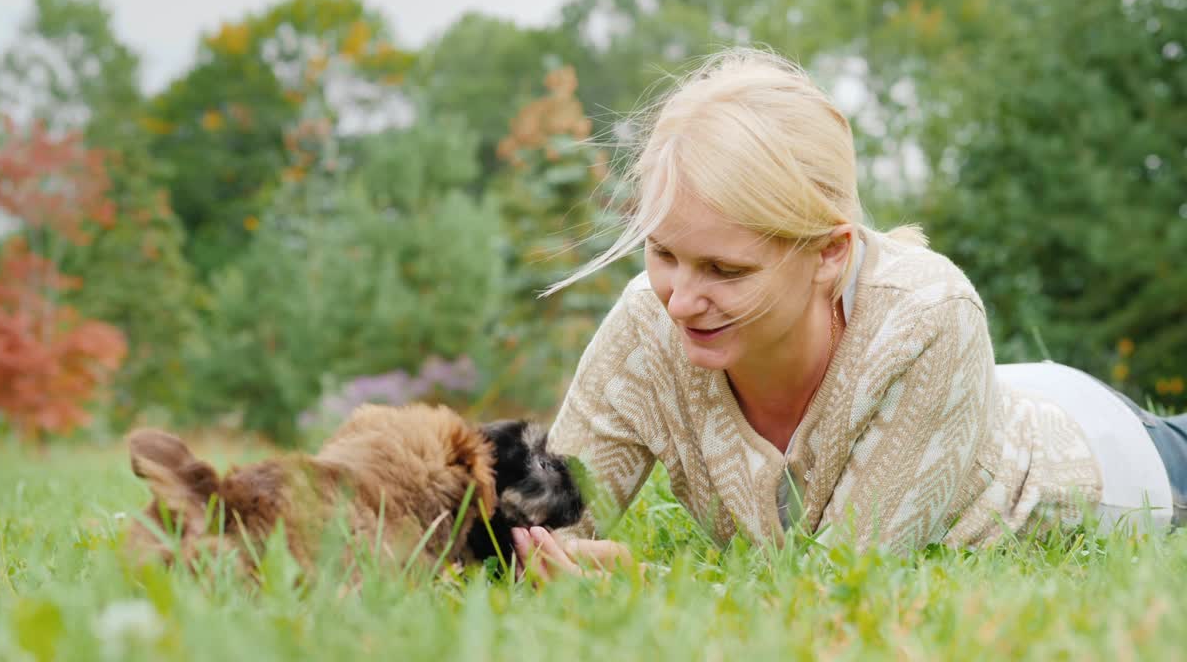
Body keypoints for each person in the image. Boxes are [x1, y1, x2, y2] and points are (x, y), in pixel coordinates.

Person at [509, 48, 1187, 580]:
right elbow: (534, 528)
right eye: (664, 254)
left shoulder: (931, 315)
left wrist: (638, 582)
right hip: (990, 396)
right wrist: (540, 555)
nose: (680, 301)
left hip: (1108, 458)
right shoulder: (649, 321)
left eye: (726, 270)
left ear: (831, 253)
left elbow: (839, 582)